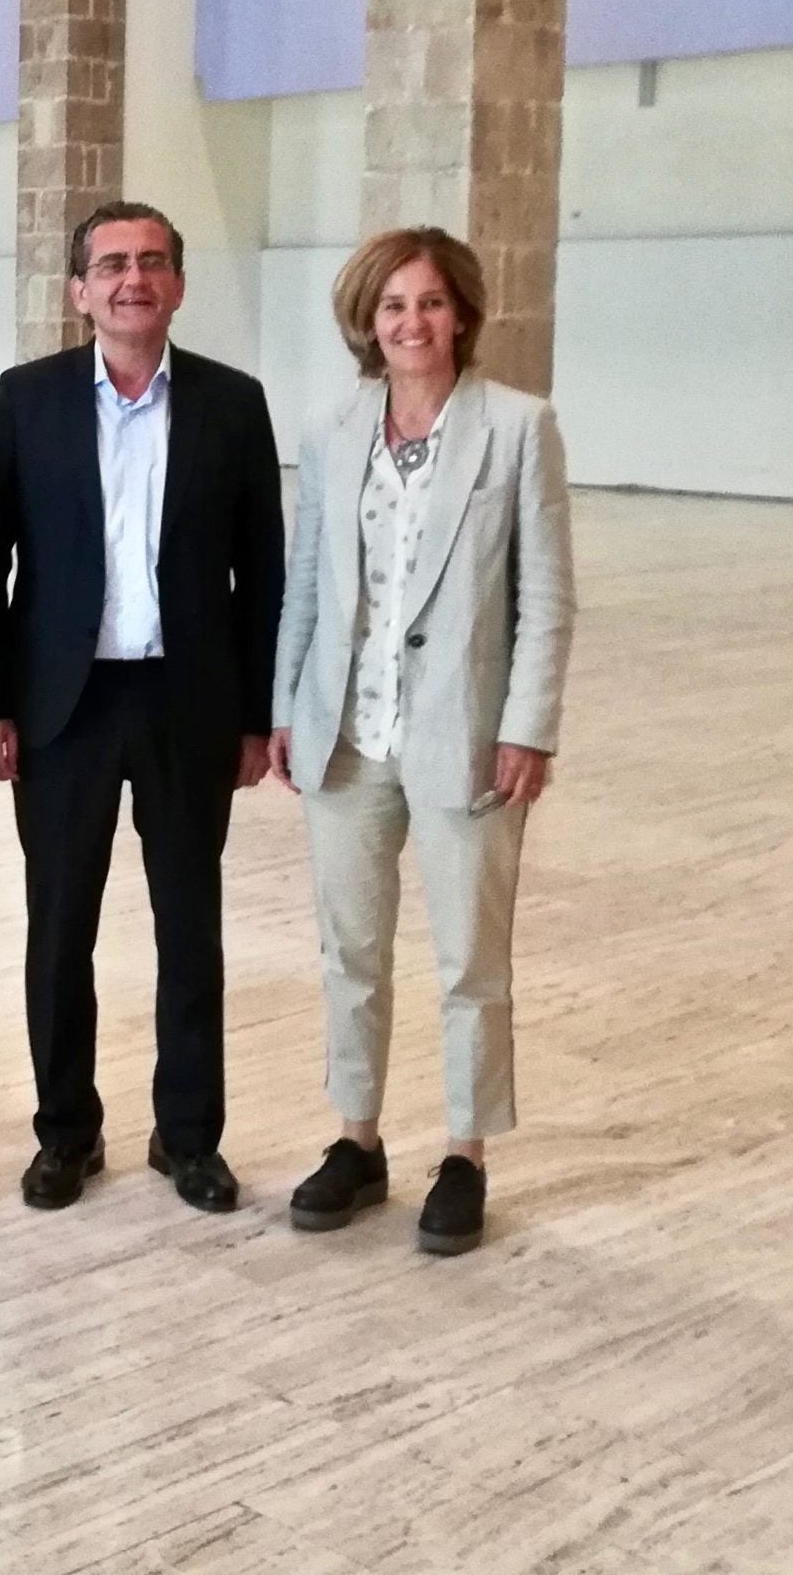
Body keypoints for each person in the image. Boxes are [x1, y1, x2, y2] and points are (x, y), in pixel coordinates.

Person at [0, 200, 285, 1215]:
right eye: (110, 265)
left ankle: (188, 1137)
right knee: (60, 928)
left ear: (178, 286)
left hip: (187, 698)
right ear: (78, 292)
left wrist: (255, 712)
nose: (131, 280)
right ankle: (66, 1133)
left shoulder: (234, 405)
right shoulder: (26, 401)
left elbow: (264, 572)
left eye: (151, 263)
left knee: (190, 928)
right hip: (64, 702)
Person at [269, 226, 574, 1257]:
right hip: (348, 735)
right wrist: (284, 710)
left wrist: (527, 726)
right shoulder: (332, 430)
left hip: (465, 738)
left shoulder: (518, 428)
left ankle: (463, 1151)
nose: (411, 323)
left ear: (462, 315)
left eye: (430, 304)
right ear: (367, 319)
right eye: (392, 306)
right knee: (348, 950)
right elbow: (306, 583)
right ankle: (356, 1137)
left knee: (467, 961)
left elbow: (546, 595)